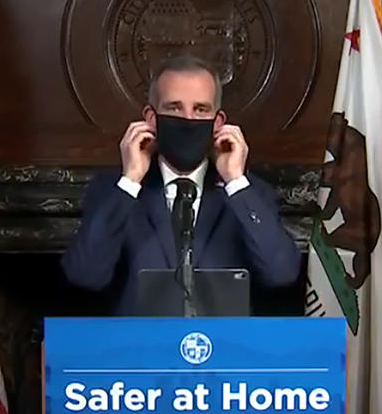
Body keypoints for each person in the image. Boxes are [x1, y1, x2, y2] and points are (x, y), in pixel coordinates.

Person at [61, 54, 301, 314]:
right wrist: (131, 181)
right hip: (140, 350)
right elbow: (85, 275)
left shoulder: (249, 193)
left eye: (200, 109)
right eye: (174, 108)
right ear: (150, 119)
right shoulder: (113, 190)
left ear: (218, 123)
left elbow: (282, 273)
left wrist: (235, 181)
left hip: (225, 350)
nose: (188, 119)